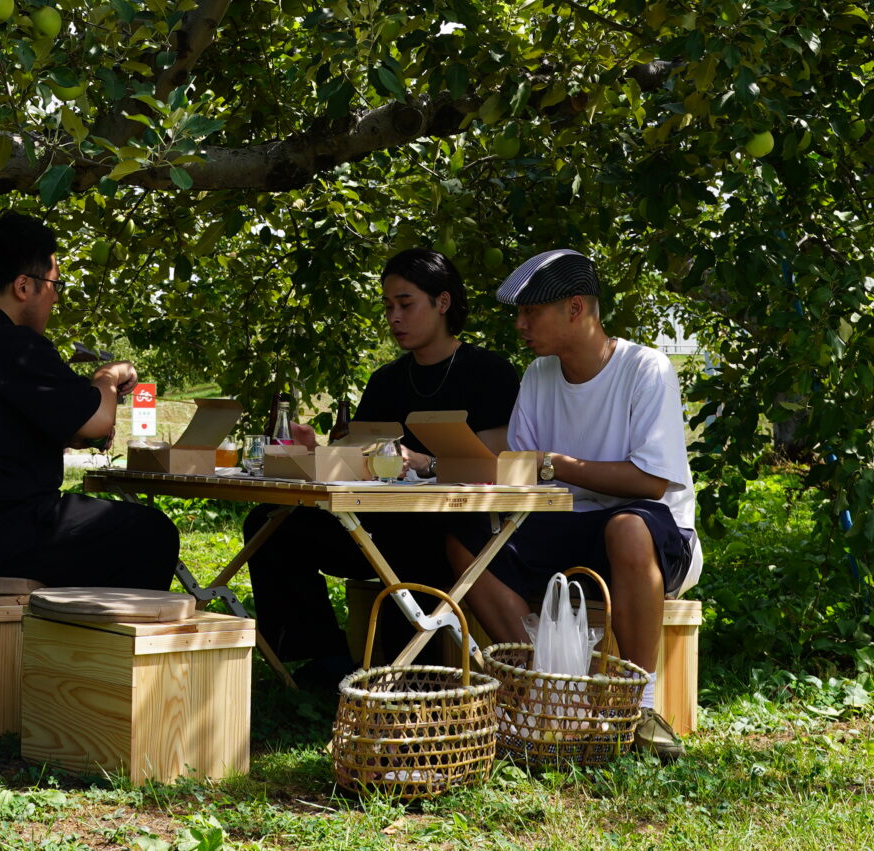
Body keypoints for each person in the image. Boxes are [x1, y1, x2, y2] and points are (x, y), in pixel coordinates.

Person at [450, 247, 696, 762]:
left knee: (626, 526)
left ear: (576, 309)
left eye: (530, 312)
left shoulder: (645, 369)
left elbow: (651, 482)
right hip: (565, 528)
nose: (520, 325)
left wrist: (558, 464)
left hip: (652, 535)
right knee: (464, 538)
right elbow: (525, 473)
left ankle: (639, 706)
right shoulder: (539, 376)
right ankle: (546, 688)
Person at [242, 249, 521, 693]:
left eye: (405, 304)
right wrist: (319, 453)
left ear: (443, 302)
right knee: (270, 524)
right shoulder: (386, 380)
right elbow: (362, 456)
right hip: (376, 521)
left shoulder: (488, 372)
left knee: (411, 545)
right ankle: (323, 660)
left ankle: (411, 677)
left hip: (451, 527)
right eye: (388, 306)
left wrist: (425, 463)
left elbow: (497, 461)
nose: (394, 317)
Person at [0, 211, 180, 589]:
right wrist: (107, 377)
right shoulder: (11, 343)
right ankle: (98, 647)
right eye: (54, 284)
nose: (56, 296)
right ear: (23, 286)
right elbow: (97, 422)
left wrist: (67, 433)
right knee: (150, 532)